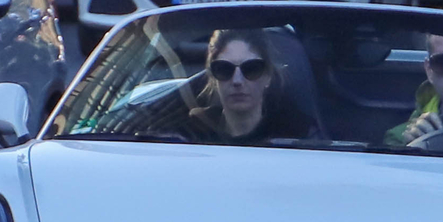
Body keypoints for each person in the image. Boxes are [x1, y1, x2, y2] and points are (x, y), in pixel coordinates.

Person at [103, 28, 319, 145]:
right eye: (224, 69)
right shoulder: (187, 134)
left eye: (251, 69)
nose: (237, 80)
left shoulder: (298, 135)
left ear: (268, 77)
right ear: (212, 78)